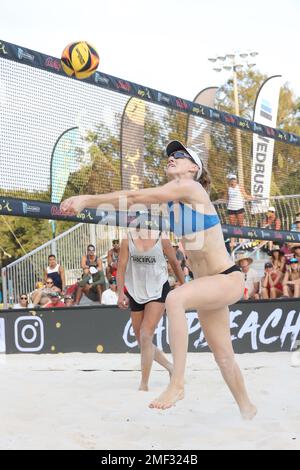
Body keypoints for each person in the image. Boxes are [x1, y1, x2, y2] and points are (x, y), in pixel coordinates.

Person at [61, 140, 256, 419]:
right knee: (224, 357)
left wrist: (87, 200)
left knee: (175, 298)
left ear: (194, 168)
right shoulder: (173, 201)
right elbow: (133, 202)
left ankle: (177, 384)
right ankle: (247, 408)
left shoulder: (192, 187)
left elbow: (136, 195)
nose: (172, 158)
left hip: (227, 277)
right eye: (170, 155)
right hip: (208, 285)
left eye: (180, 155)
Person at [117, 229, 184, 391]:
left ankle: (144, 384)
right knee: (142, 341)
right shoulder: (128, 238)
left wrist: (184, 284)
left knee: (146, 334)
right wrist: (120, 293)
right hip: (135, 290)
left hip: (158, 288)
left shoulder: (162, 236)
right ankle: (170, 367)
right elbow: (121, 268)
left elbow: (174, 263)